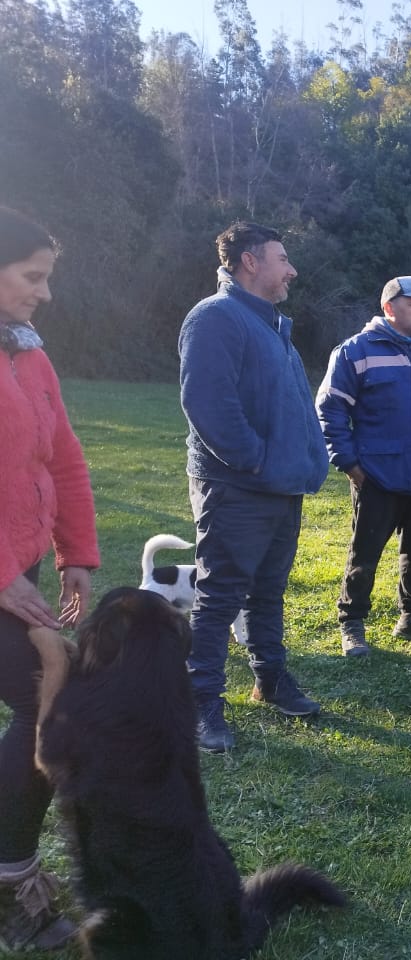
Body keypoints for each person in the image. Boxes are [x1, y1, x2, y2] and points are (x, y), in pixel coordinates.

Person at [179, 221, 329, 752]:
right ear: (250, 261)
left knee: (267, 590)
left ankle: (270, 679)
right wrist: (255, 462)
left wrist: (302, 462)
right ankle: (200, 702)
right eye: (282, 258)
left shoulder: (271, 326)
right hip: (237, 486)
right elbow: (208, 404)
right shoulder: (215, 317)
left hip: (280, 486)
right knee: (220, 594)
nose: (292, 270)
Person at [0, 206, 97, 951]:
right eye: (33, 277)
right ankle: (10, 884)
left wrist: (77, 554)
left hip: (18, 568)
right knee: (45, 696)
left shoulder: (28, 353)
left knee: (49, 698)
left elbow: (61, 457)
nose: (46, 293)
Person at [316, 276, 411, 657]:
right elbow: (330, 410)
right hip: (376, 477)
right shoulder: (355, 352)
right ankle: (352, 622)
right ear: (388, 308)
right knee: (364, 553)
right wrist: (349, 463)